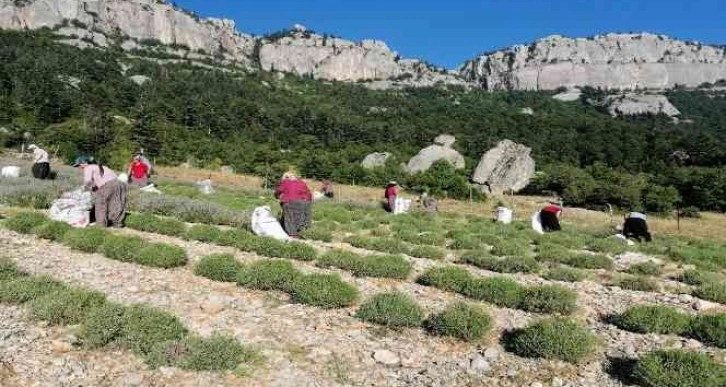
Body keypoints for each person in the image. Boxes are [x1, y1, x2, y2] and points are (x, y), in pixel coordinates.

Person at [73, 156, 128, 228]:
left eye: (79, 165)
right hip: (119, 184)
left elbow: (88, 182)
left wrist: (85, 190)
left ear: (84, 163)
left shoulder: (88, 168)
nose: (79, 167)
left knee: (100, 204)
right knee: (116, 203)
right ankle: (117, 224)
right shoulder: (102, 166)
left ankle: (101, 225)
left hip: (107, 185)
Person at [274, 171, 312, 238]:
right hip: (305, 202)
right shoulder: (302, 182)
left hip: (290, 201)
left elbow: (278, 191)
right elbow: (309, 194)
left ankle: (292, 234)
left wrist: (277, 196)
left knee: (289, 217)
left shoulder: (286, 181)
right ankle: (304, 232)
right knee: (302, 218)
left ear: (286, 177)